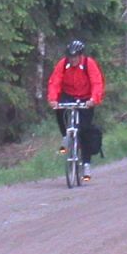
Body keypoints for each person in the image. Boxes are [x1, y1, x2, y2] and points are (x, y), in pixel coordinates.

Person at [47, 39, 106, 181]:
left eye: (75, 57)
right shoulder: (63, 65)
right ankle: (66, 136)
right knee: (60, 110)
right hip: (68, 96)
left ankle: (86, 164)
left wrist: (93, 99)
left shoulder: (88, 64)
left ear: (80, 56)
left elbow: (97, 82)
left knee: (84, 131)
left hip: (85, 98)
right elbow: (55, 82)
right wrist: (53, 99)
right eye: (70, 56)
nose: (72, 59)